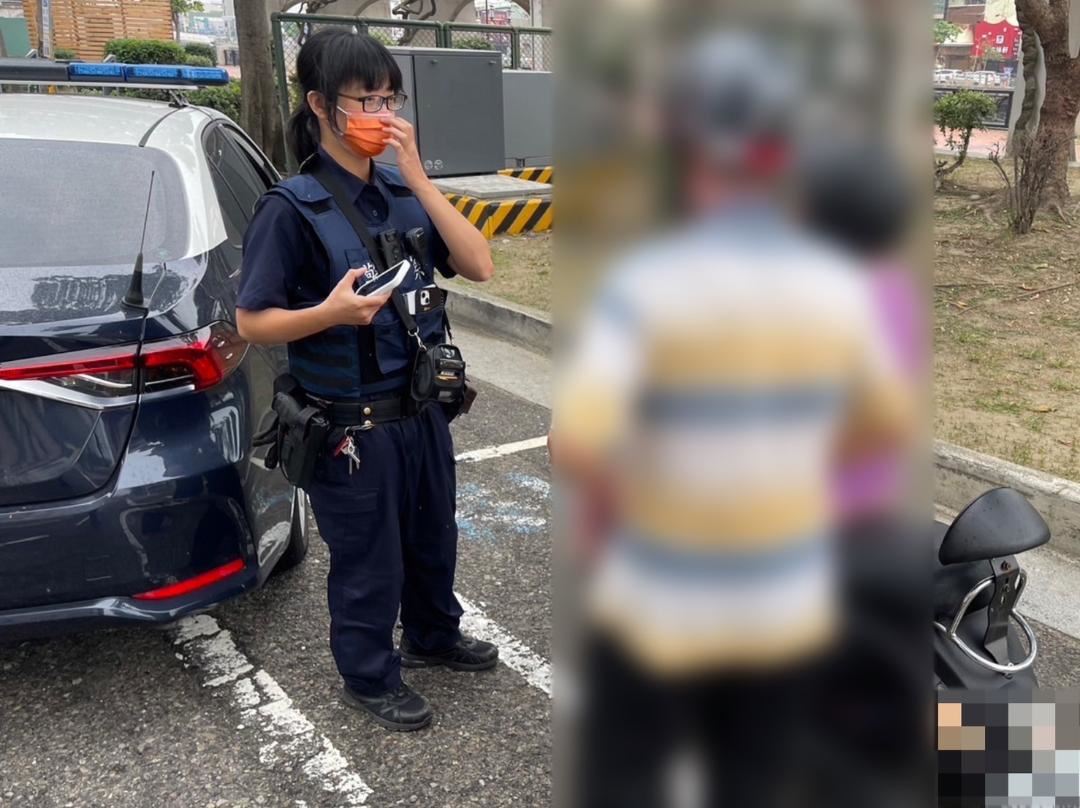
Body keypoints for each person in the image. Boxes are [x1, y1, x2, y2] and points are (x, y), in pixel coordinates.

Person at [550, 31, 914, 807]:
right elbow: (883, 421)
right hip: (783, 606)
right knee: (752, 781)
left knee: (624, 781)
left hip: (658, 607)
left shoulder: (649, 284)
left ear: (684, 153)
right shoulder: (836, 286)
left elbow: (576, 444)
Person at [236, 28, 497, 732]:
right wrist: (328, 313)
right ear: (321, 105)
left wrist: (419, 177)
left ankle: (433, 636)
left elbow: (479, 265)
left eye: (390, 99)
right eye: (365, 100)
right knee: (368, 560)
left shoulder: (405, 192)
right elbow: (252, 321)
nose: (382, 114)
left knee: (433, 538)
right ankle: (369, 676)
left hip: (423, 411)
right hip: (351, 426)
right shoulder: (290, 208)